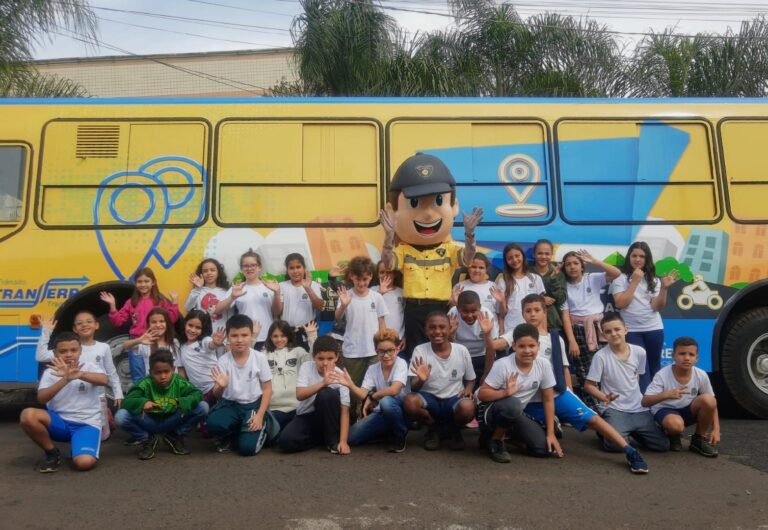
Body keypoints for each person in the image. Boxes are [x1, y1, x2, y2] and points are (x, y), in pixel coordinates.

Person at [517, 294, 651, 474]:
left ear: (545, 312)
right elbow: (499, 345)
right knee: (531, 441)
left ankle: (631, 452)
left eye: (537, 310)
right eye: (528, 311)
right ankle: (545, 427)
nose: (532, 314)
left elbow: (564, 368)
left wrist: (569, 394)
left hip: (557, 394)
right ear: (522, 313)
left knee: (594, 419)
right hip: (528, 399)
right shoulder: (515, 334)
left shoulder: (555, 338)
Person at [380, 153, 483, 359]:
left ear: (453, 206)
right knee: (416, 351)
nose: (427, 215)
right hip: (413, 308)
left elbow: (468, 258)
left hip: (439, 306)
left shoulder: (451, 249)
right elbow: (388, 262)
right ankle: (419, 387)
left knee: (440, 348)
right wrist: (389, 236)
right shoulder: (405, 250)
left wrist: (470, 234)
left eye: (437, 200)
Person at [20, 332, 107, 473]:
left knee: (83, 463)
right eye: (63, 351)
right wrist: (65, 379)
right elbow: (42, 398)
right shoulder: (50, 372)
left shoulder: (89, 366)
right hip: (60, 423)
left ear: (80, 351)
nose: (69, 354)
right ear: (55, 353)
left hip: (86, 424)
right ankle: (51, 452)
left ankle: (79, 448)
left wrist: (80, 375)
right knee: (28, 415)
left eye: (73, 350)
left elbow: (104, 380)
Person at [583, 312, 669, 453]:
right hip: (615, 409)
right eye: (608, 331)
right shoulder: (600, 356)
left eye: (617, 329)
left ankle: (630, 430)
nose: (614, 334)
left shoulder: (639, 352)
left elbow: (638, 376)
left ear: (625, 330)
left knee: (662, 445)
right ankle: (607, 429)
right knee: (614, 447)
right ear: (603, 335)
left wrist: (635, 397)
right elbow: (589, 385)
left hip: (638, 409)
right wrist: (604, 398)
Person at [477, 324, 562, 463]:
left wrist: (550, 433)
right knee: (513, 404)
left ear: (538, 346)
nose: (527, 351)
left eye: (531, 346)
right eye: (522, 346)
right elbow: (482, 394)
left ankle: (506, 438)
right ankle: (496, 440)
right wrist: (506, 392)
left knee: (543, 449)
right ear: (514, 346)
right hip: (489, 412)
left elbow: (548, 399)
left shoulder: (544, 364)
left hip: (515, 414)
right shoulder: (503, 365)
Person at [36, 311, 123, 441]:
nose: (84, 325)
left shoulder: (103, 347)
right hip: (74, 394)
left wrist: (118, 392)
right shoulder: (67, 348)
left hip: (98, 394)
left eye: (89, 322)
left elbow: (110, 372)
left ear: (97, 325)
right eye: (79, 323)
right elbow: (40, 356)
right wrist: (46, 332)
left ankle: (106, 422)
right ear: (75, 329)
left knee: (103, 437)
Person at [115, 349, 208, 460]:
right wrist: (142, 402)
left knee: (203, 407)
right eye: (158, 373)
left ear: (173, 370)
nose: (163, 376)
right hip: (149, 422)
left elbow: (197, 394)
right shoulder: (144, 383)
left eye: (166, 371)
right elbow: (126, 402)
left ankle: (175, 436)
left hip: (172, 421)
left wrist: (182, 402)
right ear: (150, 372)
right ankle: (146, 439)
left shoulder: (179, 382)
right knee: (121, 416)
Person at [403, 311, 476, 451]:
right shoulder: (420, 350)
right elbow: (414, 388)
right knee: (409, 402)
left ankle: (454, 429)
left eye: (442, 327)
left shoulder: (461, 350)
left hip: (453, 399)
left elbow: (471, 379)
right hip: (430, 399)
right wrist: (421, 380)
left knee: (468, 407)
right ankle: (433, 428)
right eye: (432, 327)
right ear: (426, 330)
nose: (437, 331)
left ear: (450, 329)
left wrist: (468, 389)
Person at [206, 314, 278, 456]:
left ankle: (262, 425)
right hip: (230, 405)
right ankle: (231, 435)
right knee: (213, 423)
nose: (239, 340)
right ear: (227, 337)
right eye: (234, 336)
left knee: (247, 449)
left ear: (252, 336)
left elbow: (268, 389)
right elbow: (216, 395)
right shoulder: (223, 360)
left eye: (244, 335)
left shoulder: (259, 358)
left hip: (252, 405)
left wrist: (259, 415)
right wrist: (221, 386)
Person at [611, 241, 678, 391]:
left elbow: (657, 306)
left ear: (647, 259)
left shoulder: (654, 280)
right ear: (629, 257)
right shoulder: (620, 279)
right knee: (640, 368)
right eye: (634, 255)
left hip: (654, 328)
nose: (637, 259)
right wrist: (634, 282)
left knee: (655, 366)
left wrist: (664, 289)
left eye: (642, 256)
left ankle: (657, 401)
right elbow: (621, 303)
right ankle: (643, 402)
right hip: (632, 330)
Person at [562, 249, 621, 408]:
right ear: (564, 268)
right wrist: (572, 341)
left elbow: (616, 273)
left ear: (582, 266)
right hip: (578, 331)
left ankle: (612, 405)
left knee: (606, 368)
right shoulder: (563, 287)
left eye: (576, 263)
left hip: (600, 328)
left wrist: (595, 261)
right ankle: (594, 409)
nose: (572, 267)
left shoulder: (592, 278)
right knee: (584, 372)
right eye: (568, 264)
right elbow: (566, 316)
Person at [641, 337, 720, 457]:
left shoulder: (701, 375)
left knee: (709, 400)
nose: (687, 358)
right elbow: (645, 402)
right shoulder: (662, 375)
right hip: (665, 411)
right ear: (673, 356)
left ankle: (699, 439)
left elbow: (713, 404)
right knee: (676, 425)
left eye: (691, 354)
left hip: (687, 410)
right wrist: (667, 394)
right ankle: (672, 434)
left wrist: (716, 430)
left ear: (696, 358)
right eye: (682, 353)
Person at [100, 267, 179, 382]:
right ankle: (142, 399)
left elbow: (171, 318)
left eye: (146, 281)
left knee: (156, 375)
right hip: (137, 342)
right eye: (139, 282)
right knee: (138, 378)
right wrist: (112, 305)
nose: (143, 284)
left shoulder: (159, 301)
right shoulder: (131, 302)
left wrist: (175, 302)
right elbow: (117, 321)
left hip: (155, 342)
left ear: (153, 282)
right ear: (135, 283)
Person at [278, 335, 351, 455]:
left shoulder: (340, 375)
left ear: (337, 357)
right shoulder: (306, 367)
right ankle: (320, 439)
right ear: (313, 357)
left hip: (330, 418)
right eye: (320, 358)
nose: (325, 363)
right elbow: (299, 395)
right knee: (285, 442)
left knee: (327, 394)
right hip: (307, 415)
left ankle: (332, 440)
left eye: (330, 358)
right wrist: (323, 383)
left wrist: (343, 441)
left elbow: (345, 410)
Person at [341, 328, 409, 452]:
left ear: (397, 349)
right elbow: (362, 394)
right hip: (382, 411)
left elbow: (394, 390)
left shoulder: (401, 363)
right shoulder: (373, 369)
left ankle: (400, 435)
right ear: (376, 351)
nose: (386, 355)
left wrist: (372, 396)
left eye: (390, 351)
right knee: (352, 438)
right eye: (381, 351)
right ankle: (388, 430)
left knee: (386, 402)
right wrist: (350, 385)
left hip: (401, 409)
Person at [334, 256, 388, 387]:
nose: (361, 283)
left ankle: (369, 408)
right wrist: (343, 305)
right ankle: (352, 408)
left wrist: (383, 346)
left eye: (365, 279)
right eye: (358, 279)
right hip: (352, 351)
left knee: (374, 387)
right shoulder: (346, 296)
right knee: (353, 388)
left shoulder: (377, 297)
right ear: (351, 276)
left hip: (374, 351)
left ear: (370, 276)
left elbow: (382, 324)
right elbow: (337, 317)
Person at [215, 249, 275, 350]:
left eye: (253, 265)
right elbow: (217, 310)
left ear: (259, 267)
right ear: (241, 269)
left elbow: (278, 312)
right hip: (245, 339)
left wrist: (276, 293)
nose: (249, 268)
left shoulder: (269, 286)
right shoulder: (238, 288)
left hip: (269, 337)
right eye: (245, 266)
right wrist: (232, 297)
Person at [264, 319, 316, 430]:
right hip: (273, 408)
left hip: (296, 407)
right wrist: (253, 339)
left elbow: (314, 360)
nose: (279, 339)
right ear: (270, 337)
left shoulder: (298, 351)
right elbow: (249, 359)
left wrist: (311, 336)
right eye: (275, 336)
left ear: (289, 336)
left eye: (283, 336)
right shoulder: (264, 354)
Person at [531, 239, 578, 357]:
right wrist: (541, 300)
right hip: (532, 325)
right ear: (534, 254)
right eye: (540, 253)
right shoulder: (527, 272)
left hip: (554, 326)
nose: (543, 256)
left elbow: (561, 299)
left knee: (557, 361)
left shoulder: (558, 273)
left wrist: (553, 279)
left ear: (552, 255)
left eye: (547, 254)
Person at [272, 253, 324, 350]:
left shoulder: (313, 285)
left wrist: (308, 289)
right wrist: (276, 293)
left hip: (308, 332)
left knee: (308, 360)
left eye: (298, 267)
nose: (295, 271)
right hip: (286, 332)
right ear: (287, 270)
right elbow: (277, 312)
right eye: (291, 268)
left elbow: (320, 307)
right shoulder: (281, 286)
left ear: (304, 268)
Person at [448, 290, 498, 385]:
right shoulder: (452, 314)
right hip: (460, 357)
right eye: (465, 312)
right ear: (458, 309)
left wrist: (486, 374)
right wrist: (450, 334)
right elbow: (447, 346)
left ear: (480, 307)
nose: (470, 316)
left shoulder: (487, 316)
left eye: (474, 311)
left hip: (483, 356)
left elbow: (491, 348)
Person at [176, 310, 226, 404]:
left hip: (213, 387)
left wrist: (215, 343)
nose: (193, 330)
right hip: (196, 392)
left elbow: (210, 345)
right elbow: (181, 370)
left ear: (203, 329)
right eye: (190, 325)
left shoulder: (204, 341)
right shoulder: (181, 347)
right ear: (185, 324)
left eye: (198, 328)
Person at [496, 243, 545, 335]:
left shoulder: (535, 278)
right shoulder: (503, 281)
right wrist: (502, 301)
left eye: (517, 256)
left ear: (523, 256)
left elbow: (542, 309)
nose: (514, 260)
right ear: (506, 261)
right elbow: (501, 315)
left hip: (533, 330)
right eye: (510, 258)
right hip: (511, 329)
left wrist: (543, 331)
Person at [121, 308, 179, 376]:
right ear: (149, 325)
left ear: (167, 323)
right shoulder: (146, 344)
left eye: (162, 321)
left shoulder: (174, 342)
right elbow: (124, 346)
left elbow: (179, 366)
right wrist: (139, 340)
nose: (158, 325)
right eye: (154, 322)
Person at [450, 252, 506, 322]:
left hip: (491, 331)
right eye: (473, 267)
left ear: (486, 270)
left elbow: (501, 314)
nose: (477, 270)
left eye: (481, 268)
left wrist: (502, 302)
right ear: (468, 268)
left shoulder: (494, 287)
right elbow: (452, 314)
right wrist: (454, 303)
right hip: (465, 331)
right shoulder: (459, 287)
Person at [185, 258, 231, 326]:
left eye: (212, 270)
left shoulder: (225, 292)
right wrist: (197, 289)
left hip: (221, 333)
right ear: (201, 274)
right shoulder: (197, 291)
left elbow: (229, 313)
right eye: (205, 271)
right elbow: (188, 308)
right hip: (203, 333)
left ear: (218, 272)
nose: (209, 273)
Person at [372, 261, 405, 344]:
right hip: (377, 339)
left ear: (394, 274)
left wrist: (404, 337)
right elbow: (368, 310)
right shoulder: (372, 291)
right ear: (377, 275)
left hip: (398, 338)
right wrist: (380, 293)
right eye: (382, 272)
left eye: (389, 272)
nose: (385, 275)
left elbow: (404, 316)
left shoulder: (401, 292)